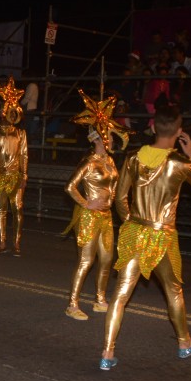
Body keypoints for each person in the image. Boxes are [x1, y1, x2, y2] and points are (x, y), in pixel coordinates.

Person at [99, 104, 191, 371]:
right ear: (179, 132)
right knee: (173, 290)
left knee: (120, 294)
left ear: (153, 127)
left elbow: (120, 198)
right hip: (163, 235)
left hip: (135, 229)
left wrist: (131, 221)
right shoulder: (179, 163)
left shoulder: (133, 158)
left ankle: (107, 353)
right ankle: (184, 342)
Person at [62, 90, 128, 320]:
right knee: (86, 260)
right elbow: (70, 186)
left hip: (106, 216)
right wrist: (85, 203)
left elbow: (117, 189)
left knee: (107, 259)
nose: (110, 138)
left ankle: (100, 299)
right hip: (90, 217)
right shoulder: (89, 162)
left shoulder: (110, 161)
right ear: (96, 139)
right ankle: (72, 304)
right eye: (106, 134)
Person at [0, 78, 29, 255]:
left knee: (17, 209)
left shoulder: (20, 133)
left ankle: (16, 243)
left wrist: (24, 176)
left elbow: (24, 155)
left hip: (15, 176)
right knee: (1, 210)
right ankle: (2, 241)